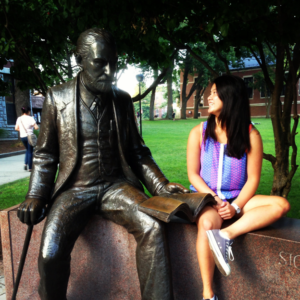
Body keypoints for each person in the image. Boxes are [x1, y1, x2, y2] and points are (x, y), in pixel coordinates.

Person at [17, 28, 189, 300]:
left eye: (113, 63)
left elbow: (138, 152)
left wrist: (162, 186)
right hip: (75, 189)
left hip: (116, 187)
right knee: (50, 254)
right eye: (100, 63)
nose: (109, 72)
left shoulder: (121, 100)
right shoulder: (57, 98)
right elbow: (45, 155)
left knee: (152, 226)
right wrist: (36, 195)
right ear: (79, 60)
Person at [187, 75, 290, 300]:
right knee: (206, 223)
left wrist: (235, 207)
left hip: (237, 197)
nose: (209, 97)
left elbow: (252, 180)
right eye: (210, 92)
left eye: (215, 93)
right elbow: (193, 174)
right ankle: (208, 295)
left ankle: (226, 234)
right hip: (205, 198)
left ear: (230, 97)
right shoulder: (199, 132)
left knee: (281, 204)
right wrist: (213, 199)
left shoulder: (250, 134)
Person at [15, 106, 39, 172]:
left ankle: (25, 164)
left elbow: (16, 128)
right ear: (28, 111)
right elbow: (36, 127)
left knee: (28, 150)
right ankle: (30, 168)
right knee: (30, 151)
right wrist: (32, 126)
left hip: (22, 137)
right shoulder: (30, 118)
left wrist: (22, 130)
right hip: (30, 137)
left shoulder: (19, 118)